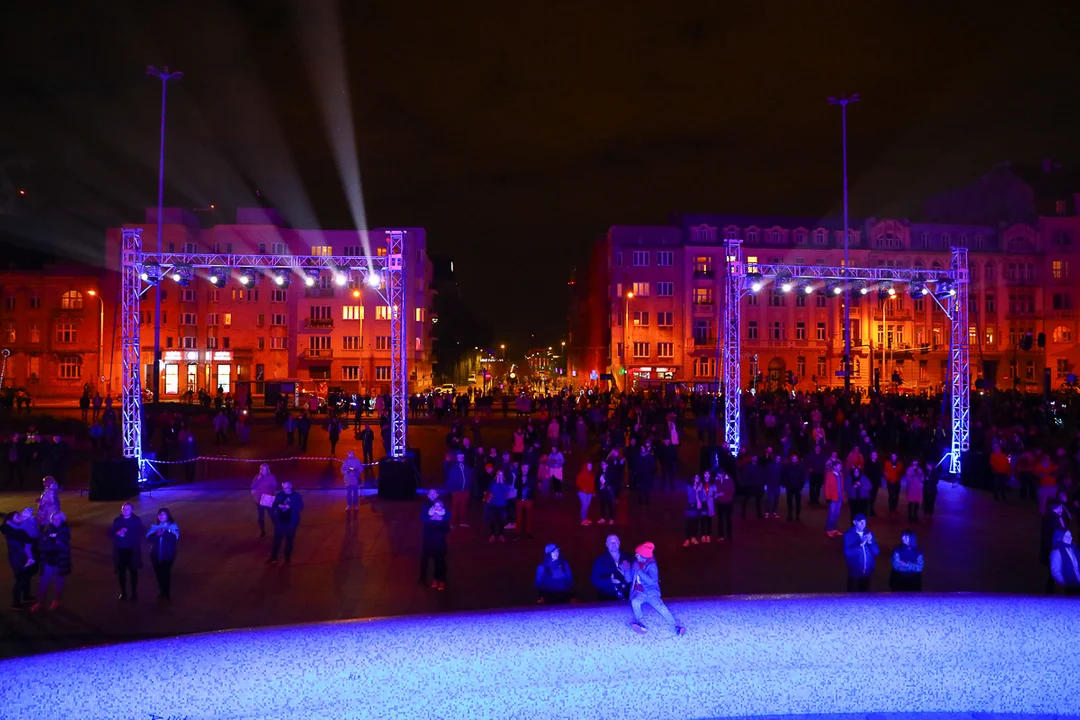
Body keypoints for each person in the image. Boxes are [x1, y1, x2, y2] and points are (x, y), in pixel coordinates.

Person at [627, 542, 686, 636]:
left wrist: (639, 571)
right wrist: (626, 569)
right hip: (640, 592)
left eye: (638, 555)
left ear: (643, 556)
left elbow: (651, 581)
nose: (636, 556)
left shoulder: (652, 566)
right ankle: (640, 623)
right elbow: (629, 579)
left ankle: (676, 626)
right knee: (635, 602)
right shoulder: (636, 563)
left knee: (661, 607)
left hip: (651, 593)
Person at [31, 511, 70, 612]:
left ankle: (57, 600)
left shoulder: (64, 530)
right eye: (53, 519)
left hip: (60, 560)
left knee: (59, 581)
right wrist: (51, 540)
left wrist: (50, 540)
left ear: (62, 520)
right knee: (44, 581)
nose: (54, 521)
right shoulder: (48, 529)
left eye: (57, 519)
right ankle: (39, 601)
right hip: (48, 560)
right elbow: (42, 543)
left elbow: (61, 543)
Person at [0, 509, 37, 608]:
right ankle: (15, 602)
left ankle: (26, 596)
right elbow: (29, 539)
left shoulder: (17, 528)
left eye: (19, 515)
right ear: (10, 521)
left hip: (23, 558)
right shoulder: (11, 531)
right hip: (18, 560)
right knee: (20, 580)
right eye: (17, 517)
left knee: (27, 578)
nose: (20, 517)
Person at [109, 502, 144, 601]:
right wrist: (117, 533)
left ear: (132, 510)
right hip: (120, 550)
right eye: (124, 509)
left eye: (128, 509)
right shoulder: (117, 520)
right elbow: (110, 533)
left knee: (133, 572)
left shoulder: (136, 520)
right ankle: (123, 592)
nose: (125, 511)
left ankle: (134, 592)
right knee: (121, 573)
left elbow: (141, 532)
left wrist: (127, 534)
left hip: (132, 550)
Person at [146, 508, 180, 600]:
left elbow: (175, 537)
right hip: (155, 556)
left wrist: (163, 533)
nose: (161, 516)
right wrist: (156, 534)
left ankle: (166, 593)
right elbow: (148, 538)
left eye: (163, 514)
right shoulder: (155, 526)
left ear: (168, 515)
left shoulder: (173, 525)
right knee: (159, 574)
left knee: (166, 574)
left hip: (167, 556)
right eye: (159, 514)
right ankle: (161, 592)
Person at [267, 481, 304, 565]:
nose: (285, 490)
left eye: (286, 488)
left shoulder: (296, 496)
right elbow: (274, 505)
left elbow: (301, 507)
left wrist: (290, 506)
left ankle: (287, 558)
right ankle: (273, 557)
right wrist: (279, 506)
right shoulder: (280, 494)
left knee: (289, 541)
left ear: (290, 486)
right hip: (280, 522)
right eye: (283, 488)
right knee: (277, 541)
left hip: (291, 522)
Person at [419, 497, 450, 590]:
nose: (437, 508)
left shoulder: (444, 519)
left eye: (439, 506)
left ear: (442, 507)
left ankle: (442, 580)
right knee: (435, 562)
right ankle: (435, 579)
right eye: (435, 506)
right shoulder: (428, 519)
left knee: (440, 562)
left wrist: (440, 521)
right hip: (430, 543)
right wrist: (431, 518)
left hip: (440, 544)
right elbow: (425, 525)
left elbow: (447, 530)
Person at [842, 514, 879, 592]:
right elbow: (847, 553)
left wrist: (870, 542)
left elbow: (876, 552)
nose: (863, 524)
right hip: (855, 572)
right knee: (852, 596)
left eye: (864, 522)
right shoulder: (849, 535)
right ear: (854, 522)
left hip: (868, 572)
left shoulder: (869, 533)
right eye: (860, 522)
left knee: (865, 596)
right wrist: (860, 545)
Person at [590, 534, 632, 601]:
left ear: (619, 543)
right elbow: (594, 580)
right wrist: (610, 581)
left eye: (615, 541)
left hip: (627, 598)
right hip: (607, 599)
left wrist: (628, 575)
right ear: (606, 544)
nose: (613, 544)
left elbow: (635, 578)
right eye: (610, 542)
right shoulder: (600, 561)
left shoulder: (628, 558)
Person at [444, 452, 474, 529]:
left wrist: (469, 489)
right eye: (459, 457)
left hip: (465, 491)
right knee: (455, 507)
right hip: (456, 492)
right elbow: (450, 481)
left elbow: (471, 479)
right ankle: (452, 522)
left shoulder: (468, 469)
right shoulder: (453, 469)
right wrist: (451, 491)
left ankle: (462, 521)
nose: (460, 459)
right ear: (457, 459)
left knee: (464, 507)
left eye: (462, 457)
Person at [1049, 529, 1080, 596]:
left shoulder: (1074, 550)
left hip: (1078, 584)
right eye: (1066, 536)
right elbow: (1055, 570)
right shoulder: (1057, 552)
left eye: (1070, 536)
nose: (1070, 538)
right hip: (1068, 587)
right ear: (1060, 537)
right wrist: (1063, 583)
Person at [250, 464, 278, 537]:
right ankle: (262, 530)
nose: (263, 470)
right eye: (261, 469)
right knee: (261, 516)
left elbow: (274, 487)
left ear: (267, 469)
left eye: (264, 469)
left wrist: (270, 492)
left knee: (272, 514)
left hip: (268, 498)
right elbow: (252, 486)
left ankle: (278, 528)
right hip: (259, 499)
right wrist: (258, 480)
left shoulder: (271, 477)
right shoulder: (257, 476)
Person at [683, 474, 705, 546]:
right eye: (696, 477)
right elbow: (690, 499)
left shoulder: (700, 486)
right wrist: (696, 491)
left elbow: (701, 497)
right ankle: (687, 539)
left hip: (697, 508)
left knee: (695, 523)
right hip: (690, 507)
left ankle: (693, 537)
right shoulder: (689, 486)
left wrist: (700, 491)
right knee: (689, 523)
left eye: (698, 477)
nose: (698, 478)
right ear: (693, 478)